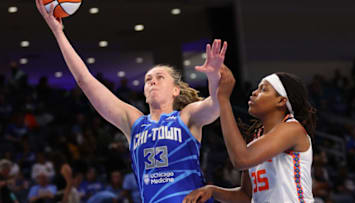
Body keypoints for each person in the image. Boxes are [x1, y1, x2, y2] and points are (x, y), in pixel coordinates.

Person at [35, 1, 228, 202]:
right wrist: (58, 33)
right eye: (148, 79)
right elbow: (85, 81)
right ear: (144, 93)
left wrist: (214, 79)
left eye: (160, 77)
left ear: (175, 90)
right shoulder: (134, 122)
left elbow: (215, 106)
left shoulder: (187, 117)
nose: (152, 80)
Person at [183, 66, 316, 203]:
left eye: (263, 89)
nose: (254, 92)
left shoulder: (292, 128)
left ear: (281, 101)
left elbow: (241, 159)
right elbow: (246, 196)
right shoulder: (256, 139)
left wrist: (223, 100)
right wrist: (212, 191)